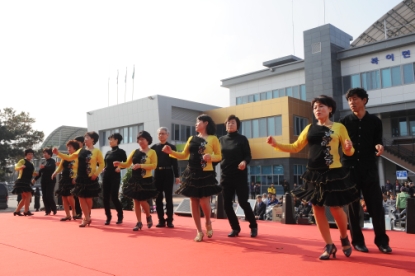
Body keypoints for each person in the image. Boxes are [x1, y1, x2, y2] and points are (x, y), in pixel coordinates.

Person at [267, 95, 357, 260]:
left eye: (321, 106)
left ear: (330, 109)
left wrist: (349, 148)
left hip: (333, 172)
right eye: (315, 107)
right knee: (317, 208)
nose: (318, 110)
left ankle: (344, 237)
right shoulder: (309, 128)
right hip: (313, 173)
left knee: (336, 208)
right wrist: (276, 144)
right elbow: (295, 147)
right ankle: (329, 245)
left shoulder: (339, 127)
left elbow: (348, 151)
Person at [340, 88, 392, 254]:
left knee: (376, 205)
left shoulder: (375, 122)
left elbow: (378, 141)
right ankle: (357, 241)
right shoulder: (344, 122)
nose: (352, 102)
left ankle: (382, 242)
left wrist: (379, 146)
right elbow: (337, 144)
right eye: (349, 100)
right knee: (353, 207)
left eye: (355, 99)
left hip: (369, 168)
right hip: (349, 169)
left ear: (364, 100)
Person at [162, 114, 222, 242]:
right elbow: (184, 155)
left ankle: (207, 221)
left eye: (198, 122)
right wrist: (171, 152)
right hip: (192, 172)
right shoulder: (191, 138)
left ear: (206, 123)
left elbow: (219, 156)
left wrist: (210, 157)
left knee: (204, 202)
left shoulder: (213, 139)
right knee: (193, 201)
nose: (196, 124)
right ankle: (199, 231)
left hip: (206, 173)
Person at [53, 131, 104, 227]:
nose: (85, 139)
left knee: (88, 199)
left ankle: (87, 214)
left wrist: (96, 174)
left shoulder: (97, 151)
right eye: (85, 137)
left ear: (92, 139)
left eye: (87, 137)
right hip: (80, 178)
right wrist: (58, 153)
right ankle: (86, 218)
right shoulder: (81, 150)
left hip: (90, 178)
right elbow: (69, 157)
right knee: (81, 198)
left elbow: (102, 164)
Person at [219, 114, 258, 238]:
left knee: (243, 202)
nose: (230, 125)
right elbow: (217, 157)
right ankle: (235, 228)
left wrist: (244, 162)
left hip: (239, 175)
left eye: (233, 123)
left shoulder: (242, 139)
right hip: (226, 176)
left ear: (237, 126)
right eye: (228, 123)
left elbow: (248, 156)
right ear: (225, 126)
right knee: (226, 204)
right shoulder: (221, 140)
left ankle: (253, 226)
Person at [114, 131, 158, 231]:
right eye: (139, 139)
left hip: (145, 179)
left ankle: (148, 215)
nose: (140, 141)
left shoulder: (152, 152)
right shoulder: (134, 151)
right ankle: (139, 222)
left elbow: (154, 165)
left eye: (142, 139)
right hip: (135, 179)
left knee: (142, 200)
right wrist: (119, 164)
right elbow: (127, 164)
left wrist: (141, 165)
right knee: (136, 201)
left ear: (148, 140)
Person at [151, 127, 180, 228]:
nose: (161, 135)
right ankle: (161, 220)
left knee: (168, 198)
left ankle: (170, 220)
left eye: (163, 133)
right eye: (159, 134)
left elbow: (175, 163)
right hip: (157, 173)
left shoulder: (171, 147)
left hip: (168, 173)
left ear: (168, 135)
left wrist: (177, 176)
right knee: (158, 198)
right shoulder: (154, 147)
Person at [102, 133, 127, 225]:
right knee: (105, 197)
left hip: (115, 176)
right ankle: (108, 217)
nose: (109, 141)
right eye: (109, 140)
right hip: (106, 175)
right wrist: (104, 168)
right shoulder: (108, 153)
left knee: (114, 197)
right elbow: (105, 164)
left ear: (116, 140)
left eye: (111, 139)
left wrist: (120, 168)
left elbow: (126, 163)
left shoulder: (121, 152)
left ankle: (120, 215)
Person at [52, 140, 80, 221]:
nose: (68, 148)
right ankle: (67, 215)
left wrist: (76, 177)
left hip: (72, 179)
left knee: (70, 197)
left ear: (75, 148)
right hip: (64, 179)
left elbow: (79, 169)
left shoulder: (77, 157)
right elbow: (60, 167)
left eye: (70, 147)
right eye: (68, 147)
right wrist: (55, 173)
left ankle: (74, 213)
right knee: (64, 197)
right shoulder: (65, 157)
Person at [12, 149, 38, 216]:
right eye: (29, 154)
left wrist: (36, 174)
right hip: (21, 181)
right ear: (26, 155)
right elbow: (16, 167)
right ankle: (26, 211)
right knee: (28, 195)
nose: (30, 155)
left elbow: (32, 173)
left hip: (27, 182)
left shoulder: (32, 164)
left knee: (24, 198)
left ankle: (17, 211)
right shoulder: (23, 161)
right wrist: (21, 167)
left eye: (32, 154)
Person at [33, 148, 57, 216]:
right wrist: (35, 179)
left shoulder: (52, 161)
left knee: (49, 195)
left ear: (49, 154)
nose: (44, 154)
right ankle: (47, 210)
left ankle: (54, 208)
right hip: (43, 181)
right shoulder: (43, 162)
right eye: (43, 153)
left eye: (45, 153)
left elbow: (51, 167)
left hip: (51, 181)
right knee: (44, 196)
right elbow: (40, 172)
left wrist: (44, 167)